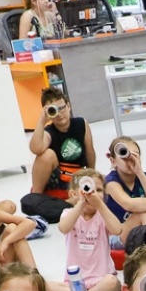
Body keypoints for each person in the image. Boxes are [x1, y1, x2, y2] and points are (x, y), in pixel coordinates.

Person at [24, 88, 95, 223]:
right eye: (53, 110)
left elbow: (90, 151)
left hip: (76, 178)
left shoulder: (81, 124)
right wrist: (41, 121)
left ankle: (58, 206)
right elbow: (36, 148)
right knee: (46, 155)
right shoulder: (49, 131)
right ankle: (36, 199)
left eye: (62, 108)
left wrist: (92, 176)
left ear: (68, 106)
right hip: (57, 179)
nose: (59, 114)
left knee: (89, 194)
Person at [60, 168, 124, 291]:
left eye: (99, 190)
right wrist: (81, 202)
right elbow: (63, 228)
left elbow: (117, 230)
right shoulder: (68, 213)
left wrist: (100, 204)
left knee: (112, 283)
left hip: (103, 278)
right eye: (88, 188)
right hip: (76, 281)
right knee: (45, 286)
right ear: (73, 194)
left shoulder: (103, 215)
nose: (93, 193)